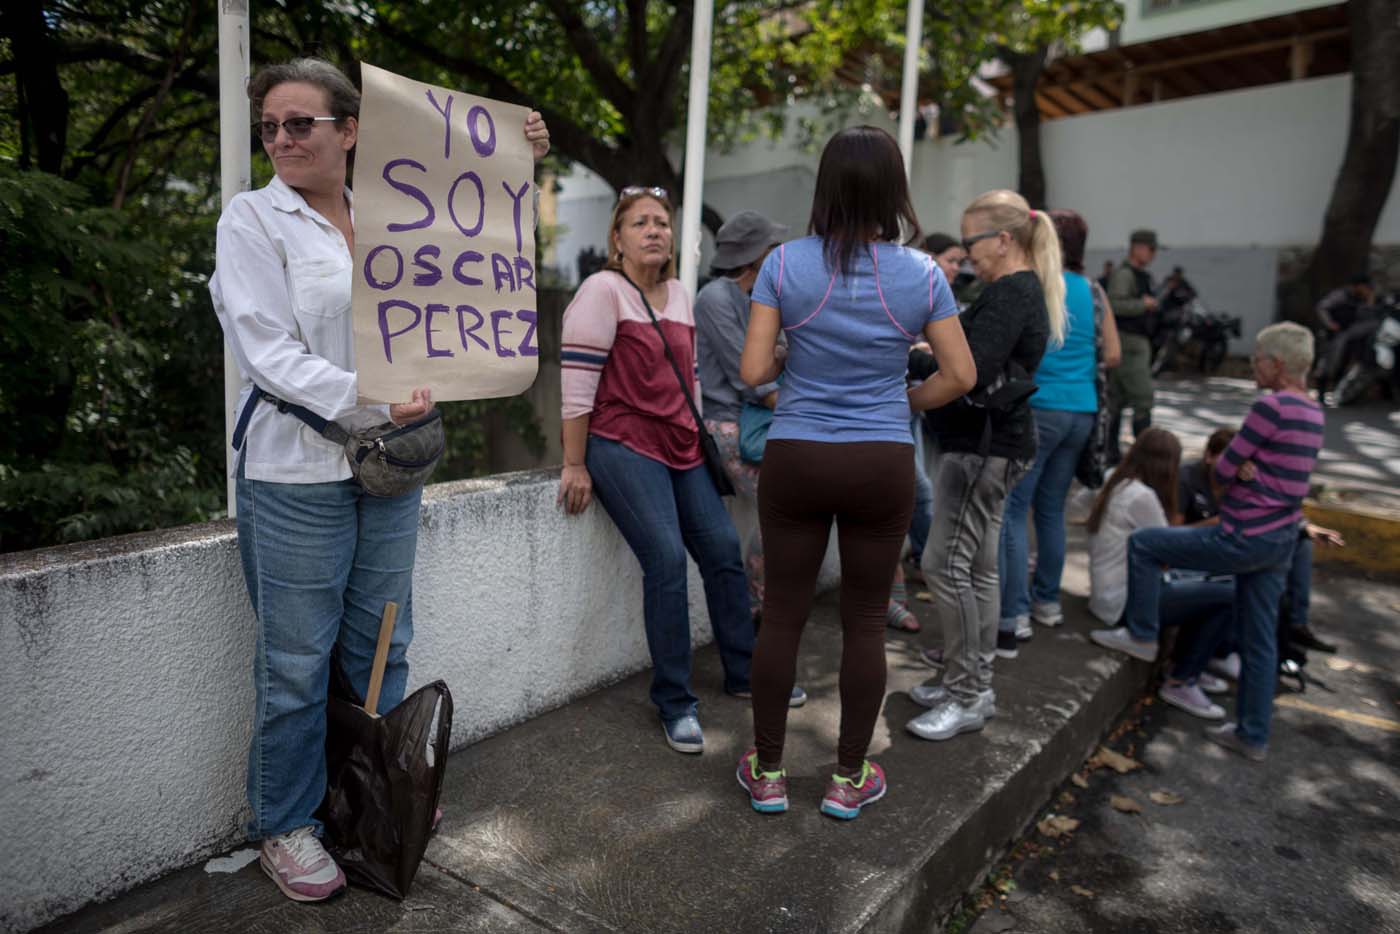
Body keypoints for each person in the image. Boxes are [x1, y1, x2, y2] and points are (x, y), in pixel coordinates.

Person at [210, 57, 550, 902]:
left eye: (301, 124)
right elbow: (267, 350)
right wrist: (372, 397)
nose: (283, 140)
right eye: (272, 128)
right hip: (296, 472)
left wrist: (520, 154)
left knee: (381, 645)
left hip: (392, 465)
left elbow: (478, 242)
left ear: (350, 130)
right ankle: (284, 823)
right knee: (295, 661)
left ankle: (370, 786)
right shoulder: (255, 219)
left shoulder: (400, 211)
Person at [733, 126, 974, 819]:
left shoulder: (784, 265)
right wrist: (905, 399)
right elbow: (960, 374)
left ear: (826, 186)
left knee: (782, 613)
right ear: (893, 188)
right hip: (881, 460)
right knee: (867, 619)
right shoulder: (923, 274)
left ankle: (770, 772)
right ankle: (847, 778)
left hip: (798, 455)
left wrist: (785, 359)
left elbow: (752, 372)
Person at [557, 187, 773, 756]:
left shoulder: (680, 293)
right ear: (617, 239)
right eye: (640, 223)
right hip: (622, 444)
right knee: (667, 559)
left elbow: (692, 382)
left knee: (725, 550)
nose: (654, 231)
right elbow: (577, 384)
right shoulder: (602, 290)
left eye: (662, 223)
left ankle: (745, 673)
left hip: (680, 444)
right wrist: (574, 462)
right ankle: (675, 701)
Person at [1091, 323, 1325, 762]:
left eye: (1257, 359)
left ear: (1276, 364)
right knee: (1260, 641)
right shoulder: (1314, 412)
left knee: (1145, 545)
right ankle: (1252, 735)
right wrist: (1249, 469)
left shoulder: (1270, 407)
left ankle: (1141, 634)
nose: (1254, 366)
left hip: (1242, 534)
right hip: (1280, 539)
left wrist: (1240, 470)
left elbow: (1222, 470)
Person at [904, 189, 1062, 743]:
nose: (965, 252)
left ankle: (968, 692)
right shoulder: (1015, 290)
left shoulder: (1011, 293)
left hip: (984, 451)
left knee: (946, 565)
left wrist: (912, 372)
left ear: (1003, 239)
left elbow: (965, 367)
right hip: (995, 448)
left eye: (970, 241)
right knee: (977, 569)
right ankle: (968, 682)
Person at [997, 209, 1120, 653]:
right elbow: (1115, 354)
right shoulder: (1094, 290)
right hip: (1081, 412)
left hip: (1038, 406)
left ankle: (1014, 612)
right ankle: (1047, 601)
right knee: (1051, 510)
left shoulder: (1036, 281)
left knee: (1013, 509)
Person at [1081, 428, 1234, 720]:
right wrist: (1211, 525)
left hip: (1110, 595)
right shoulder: (1144, 497)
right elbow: (1167, 553)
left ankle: (1191, 666)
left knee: (1214, 589)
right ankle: (1182, 678)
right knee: (1227, 596)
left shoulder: (1118, 480)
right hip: (1126, 601)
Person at [695, 210, 790, 621]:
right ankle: (758, 601)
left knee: (789, 506)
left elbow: (784, 350)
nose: (781, 254)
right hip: (730, 423)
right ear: (755, 255)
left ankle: (764, 600)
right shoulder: (715, 297)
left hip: (763, 417)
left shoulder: (764, 295)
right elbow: (748, 373)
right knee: (786, 505)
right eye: (774, 247)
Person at [1106, 229, 1160, 464]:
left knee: (1116, 400)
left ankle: (1112, 455)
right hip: (1129, 344)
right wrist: (1143, 304)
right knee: (1142, 398)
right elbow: (1114, 305)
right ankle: (1143, 459)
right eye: (1151, 249)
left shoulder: (1139, 275)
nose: (1153, 255)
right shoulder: (1124, 275)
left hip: (1135, 343)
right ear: (1138, 248)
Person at [1315, 272, 1378, 400]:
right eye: (1365, 287)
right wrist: (1330, 323)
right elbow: (1322, 307)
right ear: (1359, 285)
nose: (1367, 290)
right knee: (1328, 364)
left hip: (1348, 335)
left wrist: (1370, 302)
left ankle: (1336, 393)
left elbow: (1367, 317)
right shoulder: (1341, 295)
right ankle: (1321, 393)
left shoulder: (1362, 299)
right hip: (1333, 335)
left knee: (1342, 363)